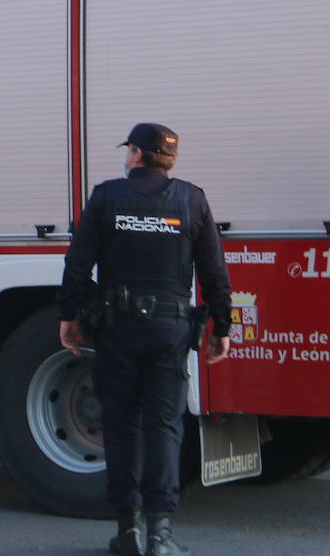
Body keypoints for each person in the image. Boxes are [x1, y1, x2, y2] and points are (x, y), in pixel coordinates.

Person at [58, 123, 232, 556]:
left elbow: (78, 265)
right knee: (163, 427)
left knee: (120, 427)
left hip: (117, 329)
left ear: (137, 153)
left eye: (129, 149)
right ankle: (161, 534)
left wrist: (68, 317)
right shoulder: (192, 200)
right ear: (168, 158)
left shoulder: (105, 197)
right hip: (169, 332)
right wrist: (222, 328)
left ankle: (128, 530)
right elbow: (214, 273)